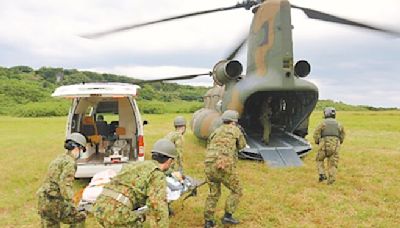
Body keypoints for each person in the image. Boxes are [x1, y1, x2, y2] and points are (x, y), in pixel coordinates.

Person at [93, 138, 177, 227]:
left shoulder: (136, 164)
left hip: (99, 206)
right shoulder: (157, 175)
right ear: (169, 160)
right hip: (117, 212)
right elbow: (157, 207)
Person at [204, 110, 247, 228]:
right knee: (237, 190)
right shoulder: (235, 130)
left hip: (208, 165)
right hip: (223, 165)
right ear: (234, 122)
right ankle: (227, 216)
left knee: (214, 193)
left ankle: (208, 222)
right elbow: (242, 146)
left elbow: (209, 145)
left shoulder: (215, 131)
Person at [36, 132, 87, 227]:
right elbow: (65, 186)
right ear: (76, 148)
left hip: (43, 200)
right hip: (54, 203)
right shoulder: (70, 163)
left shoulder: (59, 158)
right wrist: (73, 205)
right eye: (82, 150)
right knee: (80, 218)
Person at [313, 107, 345, 185]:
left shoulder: (322, 123)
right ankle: (331, 181)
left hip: (323, 144)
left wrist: (318, 142)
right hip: (335, 145)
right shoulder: (339, 124)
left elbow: (316, 134)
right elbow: (342, 135)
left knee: (319, 160)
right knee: (333, 164)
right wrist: (339, 142)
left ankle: (322, 174)